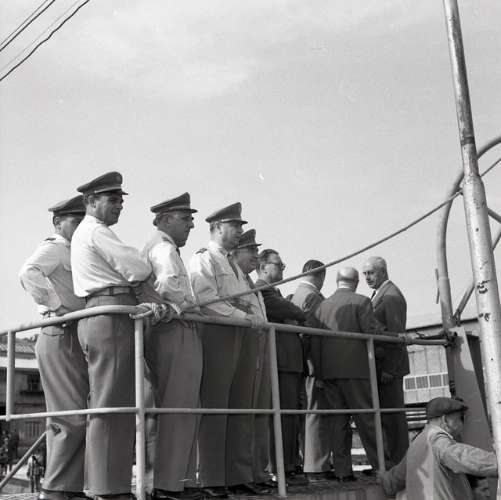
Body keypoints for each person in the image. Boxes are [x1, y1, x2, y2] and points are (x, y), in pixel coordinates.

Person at [71, 171, 152, 499]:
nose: (119, 205)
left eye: (121, 200)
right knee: (113, 404)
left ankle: (104, 483)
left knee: (108, 402)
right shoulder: (96, 231)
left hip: (103, 313)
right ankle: (108, 488)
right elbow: (138, 268)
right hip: (110, 313)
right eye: (112, 199)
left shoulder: (88, 231)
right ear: (91, 201)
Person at [188, 203, 265, 498]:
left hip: (242, 333)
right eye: (235, 227)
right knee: (216, 406)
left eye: (240, 227)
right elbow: (206, 299)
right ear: (217, 227)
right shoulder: (204, 258)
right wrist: (241, 316)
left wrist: (245, 318)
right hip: (218, 333)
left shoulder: (233, 265)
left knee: (241, 406)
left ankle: (237, 474)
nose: (239, 233)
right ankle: (212, 477)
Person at [19, 195, 89, 500]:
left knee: (77, 413)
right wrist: (57, 306)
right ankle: (56, 489)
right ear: (58, 223)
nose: (80, 226)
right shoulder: (56, 247)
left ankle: (68, 486)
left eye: (83, 220)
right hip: (59, 331)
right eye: (75, 220)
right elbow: (28, 272)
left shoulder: (77, 250)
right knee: (70, 417)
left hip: (74, 333)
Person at [141, 193, 203, 500]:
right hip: (172, 331)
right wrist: (188, 306)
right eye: (185, 218)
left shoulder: (165, 247)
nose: (191, 224)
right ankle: (168, 485)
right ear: (165, 220)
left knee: (180, 407)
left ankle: (174, 481)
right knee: (178, 407)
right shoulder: (163, 249)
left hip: (172, 330)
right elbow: (167, 287)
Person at [314, 266, 382, 481]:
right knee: (367, 420)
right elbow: (372, 332)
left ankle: (343, 471)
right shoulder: (362, 302)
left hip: (329, 373)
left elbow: (314, 341)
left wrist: (319, 373)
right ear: (356, 282)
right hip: (357, 371)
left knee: (338, 422)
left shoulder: (322, 306)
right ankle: (381, 465)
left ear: (337, 281)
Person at [256, 249, 307, 485]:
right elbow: (293, 311)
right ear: (263, 267)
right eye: (279, 264)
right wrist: (293, 314)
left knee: (289, 416)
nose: (283, 268)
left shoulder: (274, 292)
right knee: (282, 416)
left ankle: (289, 464)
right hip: (280, 361)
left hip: (287, 361)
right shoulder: (262, 290)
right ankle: (282, 467)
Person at [379, 397, 498, 500]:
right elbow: (465, 457)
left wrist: (382, 477)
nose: (463, 423)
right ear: (445, 420)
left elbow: (394, 480)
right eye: (460, 418)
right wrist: (496, 462)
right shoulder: (437, 441)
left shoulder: (416, 444)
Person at [232, 229, 270, 490]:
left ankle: (258, 472)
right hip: (245, 348)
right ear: (236, 253)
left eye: (257, 250)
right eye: (251, 251)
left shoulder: (250, 283)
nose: (256, 256)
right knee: (244, 414)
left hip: (259, 348)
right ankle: (243, 474)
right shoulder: (235, 281)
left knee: (260, 414)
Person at [362, 256, 409, 466]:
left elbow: (397, 335)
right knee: (386, 417)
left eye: (371, 273)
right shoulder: (380, 294)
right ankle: (391, 462)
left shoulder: (391, 297)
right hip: (381, 366)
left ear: (383, 271)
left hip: (389, 368)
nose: (367, 278)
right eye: (364, 274)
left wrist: (390, 368)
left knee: (393, 418)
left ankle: (400, 463)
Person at [290, 260, 333, 480]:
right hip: (312, 365)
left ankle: (309, 461)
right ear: (321, 276)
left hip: (301, 363)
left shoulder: (297, 294)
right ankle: (316, 465)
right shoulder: (313, 297)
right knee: (316, 414)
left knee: (307, 415)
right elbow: (314, 336)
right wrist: (318, 368)